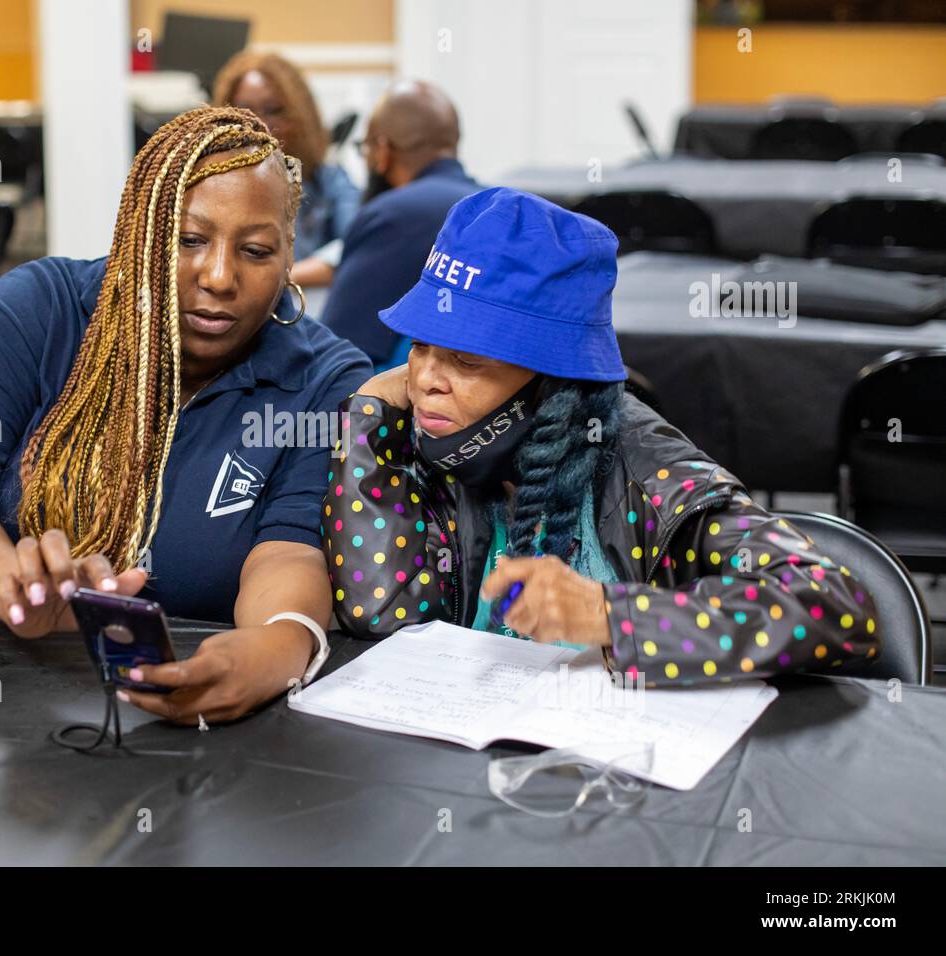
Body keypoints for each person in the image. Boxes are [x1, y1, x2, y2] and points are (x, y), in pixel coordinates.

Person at [0, 107, 372, 724]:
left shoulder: (326, 385)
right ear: (138, 232)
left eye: (256, 251)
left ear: (290, 260)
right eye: (188, 240)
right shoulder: (34, 313)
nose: (220, 276)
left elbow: (291, 552)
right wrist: (16, 590)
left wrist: (277, 646)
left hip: (176, 701)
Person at [323, 188, 882, 686]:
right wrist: (369, 413)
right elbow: (382, 615)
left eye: (465, 359)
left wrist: (611, 615)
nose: (423, 381)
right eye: (419, 346)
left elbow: (837, 608)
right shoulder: (424, 441)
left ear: (553, 379)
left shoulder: (644, 467)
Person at [320, 80, 481, 368]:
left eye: (364, 147)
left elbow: (336, 347)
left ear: (382, 151)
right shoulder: (496, 207)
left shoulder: (389, 215)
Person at [214, 51, 360, 269]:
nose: (258, 122)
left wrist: (288, 280)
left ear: (298, 116)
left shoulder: (328, 179)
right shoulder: (213, 183)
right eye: (243, 111)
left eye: (272, 110)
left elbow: (357, 246)